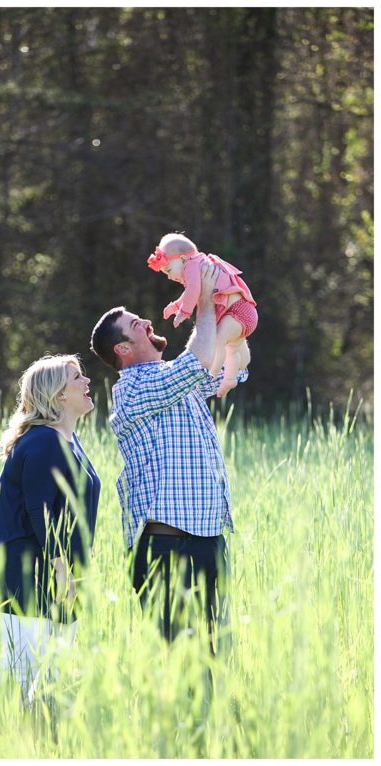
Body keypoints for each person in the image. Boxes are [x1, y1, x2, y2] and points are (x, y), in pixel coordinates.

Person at [89, 261, 246, 654]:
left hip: (207, 542)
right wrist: (205, 303)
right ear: (122, 349)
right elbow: (196, 361)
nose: (145, 321)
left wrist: (230, 301)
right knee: (181, 664)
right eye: (135, 324)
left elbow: (230, 364)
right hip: (167, 548)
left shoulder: (176, 382)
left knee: (215, 660)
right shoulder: (135, 388)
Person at [0, 355, 100, 704]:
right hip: (30, 569)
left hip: (61, 569)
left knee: (55, 665)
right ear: (58, 394)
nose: (87, 382)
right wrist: (63, 571)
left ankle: (44, 739)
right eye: (77, 378)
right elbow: (40, 510)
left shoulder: (67, 440)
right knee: (21, 668)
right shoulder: (42, 441)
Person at [147, 232, 257, 397]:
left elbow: (193, 291)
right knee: (231, 348)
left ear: (183, 259)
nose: (169, 277)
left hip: (238, 311)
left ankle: (210, 376)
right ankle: (230, 379)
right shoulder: (198, 264)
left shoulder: (193, 266)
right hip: (241, 313)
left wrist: (184, 312)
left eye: (169, 270)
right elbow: (190, 293)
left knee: (218, 340)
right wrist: (175, 306)